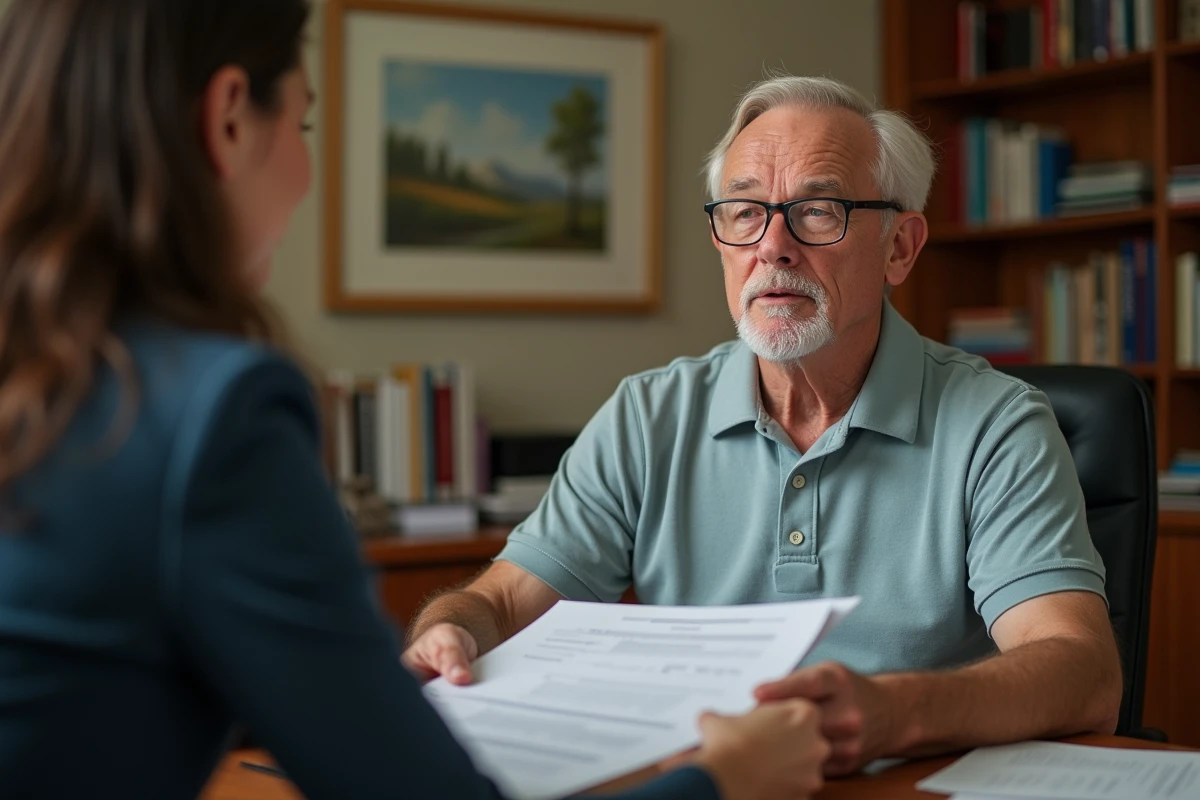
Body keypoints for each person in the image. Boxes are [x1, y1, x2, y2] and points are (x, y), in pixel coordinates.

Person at [0, 2, 831, 799]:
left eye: (816, 211)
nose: (306, 169)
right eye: (304, 124)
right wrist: (728, 783)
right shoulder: (210, 416)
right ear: (226, 117)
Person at [405, 74, 1125, 776]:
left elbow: (1084, 673)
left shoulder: (997, 425)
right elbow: (502, 600)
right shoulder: (648, 415)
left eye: (818, 210)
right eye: (745, 211)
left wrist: (893, 712)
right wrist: (453, 630)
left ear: (899, 248)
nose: (772, 247)